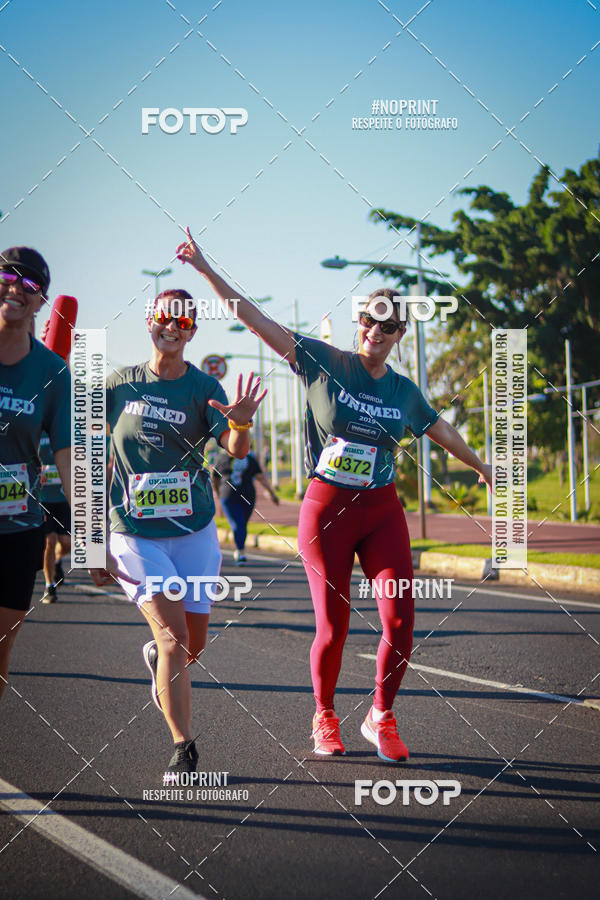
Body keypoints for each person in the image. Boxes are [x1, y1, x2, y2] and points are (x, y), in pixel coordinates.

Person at [176, 229, 493, 763]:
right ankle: (324, 715)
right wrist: (205, 269)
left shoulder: (404, 391)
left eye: (389, 326)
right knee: (335, 624)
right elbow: (255, 318)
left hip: (381, 509)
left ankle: (381, 715)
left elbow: (439, 428)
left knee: (399, 617)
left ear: (398, 334)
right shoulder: (322, 361)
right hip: (326, 508)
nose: (376, 330)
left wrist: (480, 464)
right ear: (359, 324)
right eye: (369, 320)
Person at [96, 288, 265, 775]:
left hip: (193, 529)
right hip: (134, 533)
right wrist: (91, 544)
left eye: (183, 322)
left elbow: (232, 447)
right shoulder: (118, 385)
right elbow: (83, 452)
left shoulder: (201, 387)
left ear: (192, 331)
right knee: (174, 641)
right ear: (149, 321)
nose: (171, 326)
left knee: (192, 645)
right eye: (163, 317)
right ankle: (183, 747)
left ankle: (161, 660)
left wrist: (242, 424)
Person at [0, 246, 126, 701]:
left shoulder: (52, 373)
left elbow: (73, 463)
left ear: (40, 303)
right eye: (7, 276)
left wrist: (94, 545)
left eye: (30, 284)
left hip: (16, 529)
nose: (16, 287)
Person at [211, 446, 279, 564]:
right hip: (228, 496)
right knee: (237, 525)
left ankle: (239, 548)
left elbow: (260, 477)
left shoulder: (249, 459)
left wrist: (272, 493)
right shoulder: (221, 459)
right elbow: (215, 478)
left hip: (248, 497)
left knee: (243, 524)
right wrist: (217, 494)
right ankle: (241, 552)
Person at [39, 433, 71, 602]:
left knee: (67, 543)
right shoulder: (36, 430)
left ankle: (57, 561)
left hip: (64, 498)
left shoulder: (65, 430)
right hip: (44, 499)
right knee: (50, 541)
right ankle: (49, 586)